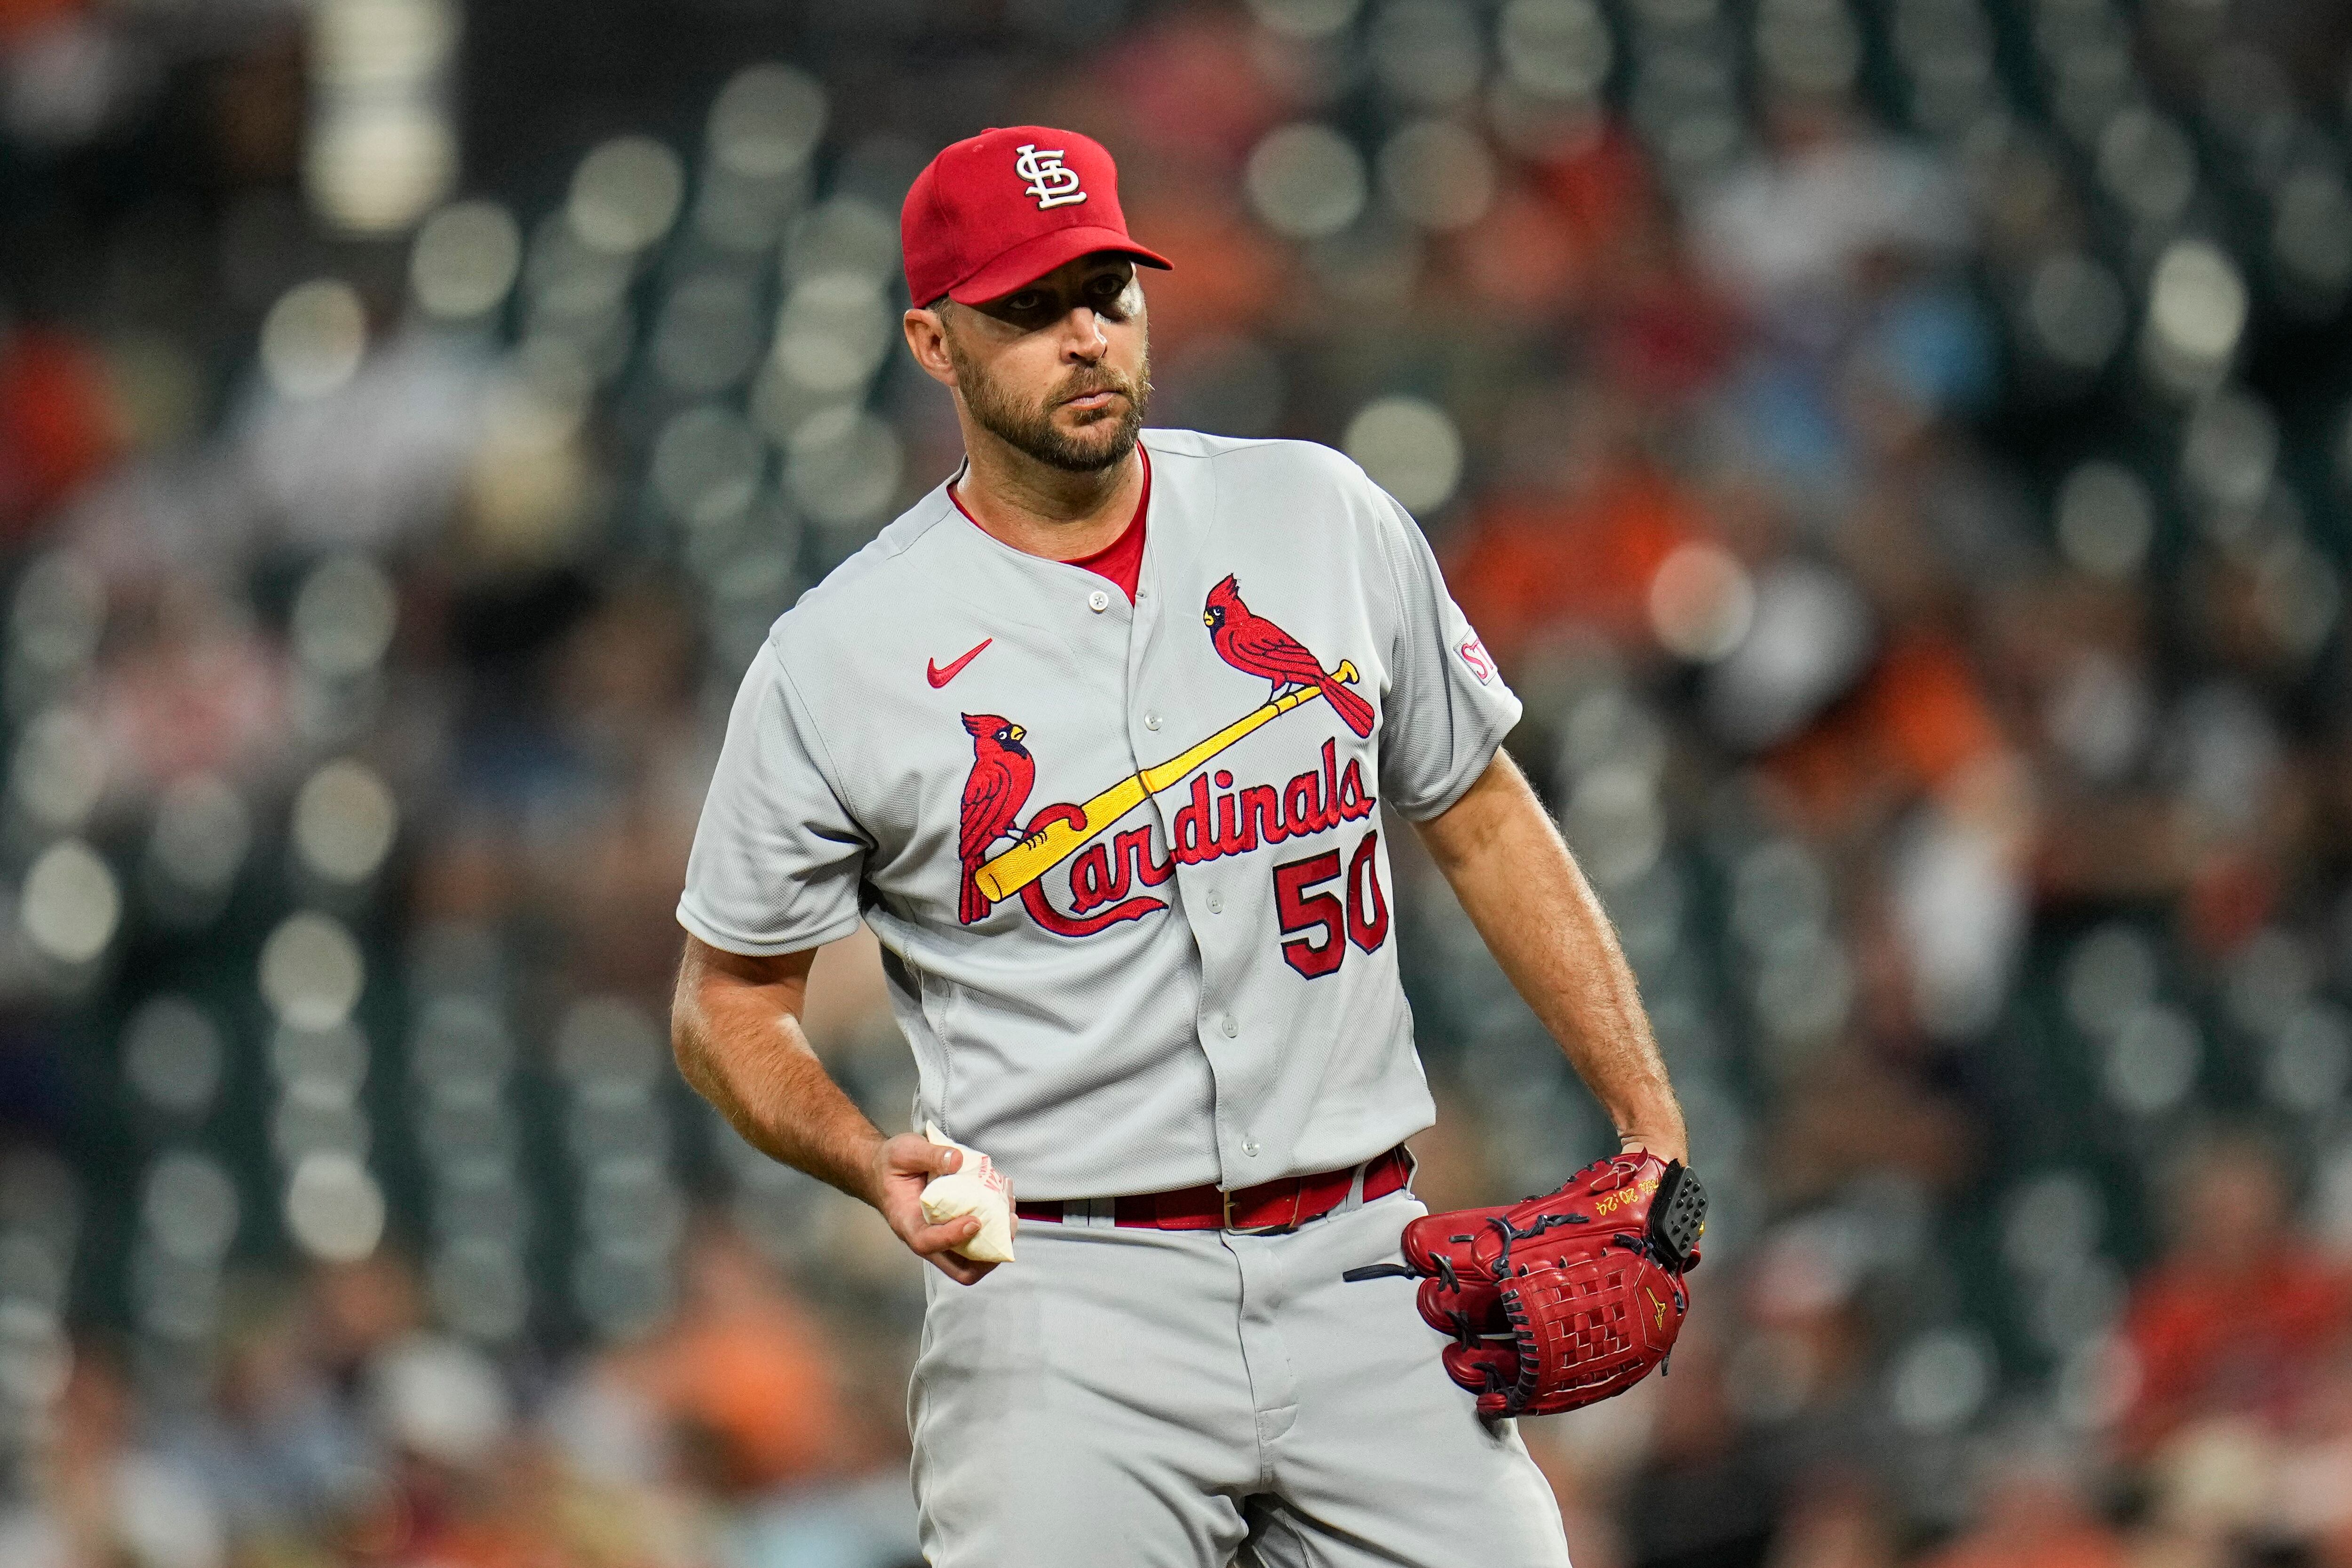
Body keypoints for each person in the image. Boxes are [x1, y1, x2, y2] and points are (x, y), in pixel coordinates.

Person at [669, 124, 1688, 1566]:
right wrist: (861, 1158)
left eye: (1106, 291)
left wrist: (1652, 1122)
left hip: (1366, 1266)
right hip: (1066, 1301)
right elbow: (727, 1001)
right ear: (931, 341)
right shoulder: (842, 653)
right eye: (1028, 307)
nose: (1083, 335)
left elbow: (1479, 812)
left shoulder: (1318, 517)